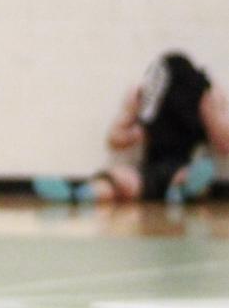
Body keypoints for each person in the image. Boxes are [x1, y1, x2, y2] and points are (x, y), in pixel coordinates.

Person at [34, 52, 229, 205]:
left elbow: (224, 145)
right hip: (149, 169)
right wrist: (132, 121)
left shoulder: (207, 96)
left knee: (197, 173)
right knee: (120, 178)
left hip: (183, 166)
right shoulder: (143, 99)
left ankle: (181, 191)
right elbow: (115, 140)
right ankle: (78, 195)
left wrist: (211, 112)